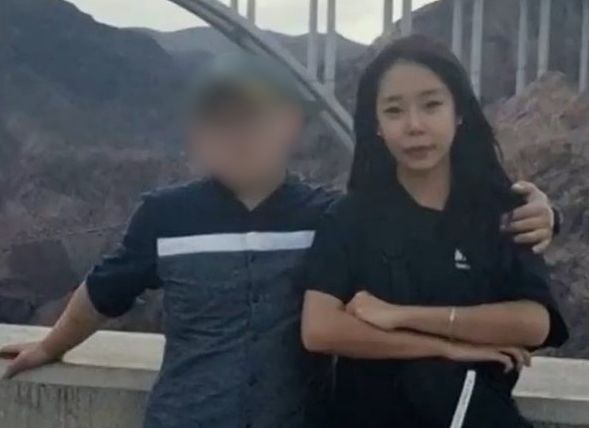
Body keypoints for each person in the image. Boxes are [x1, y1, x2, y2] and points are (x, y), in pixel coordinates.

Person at [1, 53, 558, 428]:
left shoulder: (326, 216)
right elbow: (104, 290)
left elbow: (415, 236)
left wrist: (539, 210)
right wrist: (50, 347)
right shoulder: (165, 216)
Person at [302, 35, 568, 428]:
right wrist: (446, 347)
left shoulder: (502, 212)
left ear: (459, 112)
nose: (415, 126)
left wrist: (400, 315)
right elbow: (320, 329)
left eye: (431, 105)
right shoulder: (350, 218)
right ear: (376, 125)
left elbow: (533, 322)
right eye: (394, 110)